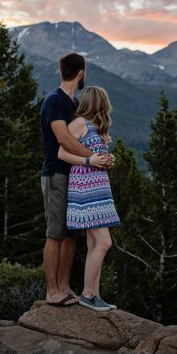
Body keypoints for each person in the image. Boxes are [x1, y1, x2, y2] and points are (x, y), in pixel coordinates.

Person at [40, 53, 113, 307]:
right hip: (56, 173)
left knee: (71, 234)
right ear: (81, 73)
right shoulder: (55, 100)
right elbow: (64, 139)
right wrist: (93, 158)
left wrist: (99, 158)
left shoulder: (74, 103)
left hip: (74, 177)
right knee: (55, 234)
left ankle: (64, 287)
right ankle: (52, 291)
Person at [57, 85, 121, 312]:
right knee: (104, 242)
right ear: (100, 103)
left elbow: (95, 156)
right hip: (85, 188)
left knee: (94, 243)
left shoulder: (96, 127)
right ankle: (87, 294)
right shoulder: (79, 123)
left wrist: (108, 159)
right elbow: (61, 153)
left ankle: (95, 294)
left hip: (99, 188)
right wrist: (89, 161)